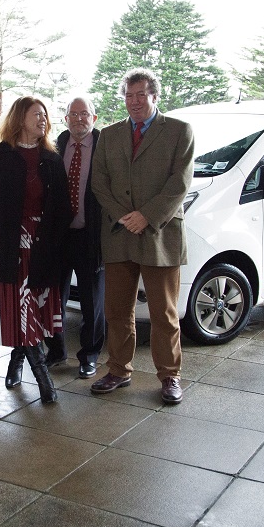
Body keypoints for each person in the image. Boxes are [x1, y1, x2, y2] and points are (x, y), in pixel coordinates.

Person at [89, 68, 195, 404]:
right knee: (117, 309)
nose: (134, 102)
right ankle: (118, 370)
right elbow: (99, 183)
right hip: (119, 233)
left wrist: (146, 216)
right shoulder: (109, 134)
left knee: (164, 313)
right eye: (129, 95)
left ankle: (170, 376)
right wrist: (124, 215)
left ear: (154, 96)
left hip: (160, 234)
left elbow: (179, 183)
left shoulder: (179, 131)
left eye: (141, 95)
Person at [0, 96, 72, 404]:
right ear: (20, 119)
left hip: (42, 249)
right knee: (18, 311)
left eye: (45, 115)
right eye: (36, 114)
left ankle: (17, 361)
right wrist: (0, 235)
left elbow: (64, 209)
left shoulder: (52, 159)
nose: (43, 119)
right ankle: (43, 378)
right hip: (8, 249)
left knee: (32, 312)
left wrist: (50, 238)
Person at [45, 96, 106, 379]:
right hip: (59, 236)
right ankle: (56, 350)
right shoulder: (56, 145)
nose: (79, 118)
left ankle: (89, 355)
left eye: (85, 114)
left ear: (94, 118)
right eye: (73, 114)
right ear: (66, 118)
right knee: (55, 296)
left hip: (91, 236)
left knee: (92, 301)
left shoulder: (105, 146)